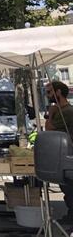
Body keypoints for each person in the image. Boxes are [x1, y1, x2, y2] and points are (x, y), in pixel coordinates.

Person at [45, 81, 73, 222]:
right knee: (66, 188)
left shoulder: (66, 112)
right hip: (62, 154)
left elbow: (49, 128)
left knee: (69, 188)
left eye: (49, 92)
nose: (47, 95)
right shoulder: (61, 110)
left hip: (67, 155)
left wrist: (50, 114)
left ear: (58, 92)